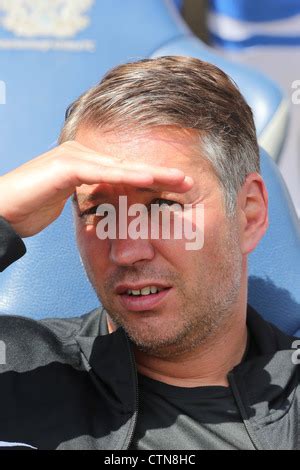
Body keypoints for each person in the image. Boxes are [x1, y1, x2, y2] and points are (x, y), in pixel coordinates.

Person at [0, 56, 298, 450]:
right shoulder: (21, 369)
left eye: (162, 206)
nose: (126, 250)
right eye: (97, 211)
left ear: (248, 214)